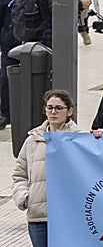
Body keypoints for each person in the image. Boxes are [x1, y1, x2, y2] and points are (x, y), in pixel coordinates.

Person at [13, 89, 81, 247]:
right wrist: (24, 197)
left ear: (69, 111)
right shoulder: (32, 140)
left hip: (68, 217)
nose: (53, 112)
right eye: (49, 108)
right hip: (38, 217)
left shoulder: (79, 139)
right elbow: (19, 174)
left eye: (59, 108)